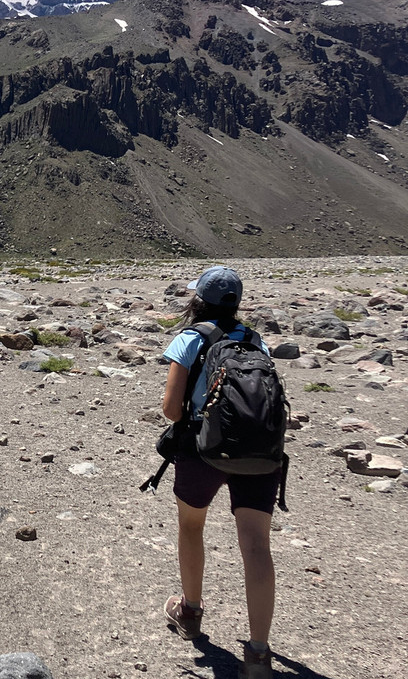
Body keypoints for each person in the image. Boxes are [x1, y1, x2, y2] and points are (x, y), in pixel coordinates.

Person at [160, 266, 279, 679]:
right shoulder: (256, 341)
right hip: (259, 452)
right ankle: (259, 654)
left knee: (192, 526)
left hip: (203, 451)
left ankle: (190, 612)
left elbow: (171, 410)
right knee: (257, 546)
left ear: (199, 300)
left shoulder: (190, 339)